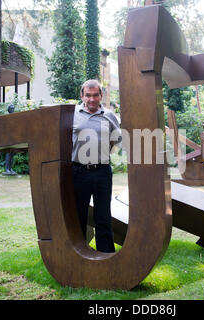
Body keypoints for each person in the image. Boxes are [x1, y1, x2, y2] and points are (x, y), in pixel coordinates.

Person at [72, 79, 121, 253]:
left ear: (101, 95)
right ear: (82, 96)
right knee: (78, 216)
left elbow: (117, 139)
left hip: (102, 172)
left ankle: (106, 254)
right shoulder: (73, 114)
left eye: (95, 95)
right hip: (78, 172)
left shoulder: (109, 116)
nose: (91, 99)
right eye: (88, 95)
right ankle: (78, 254)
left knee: (103, 216)